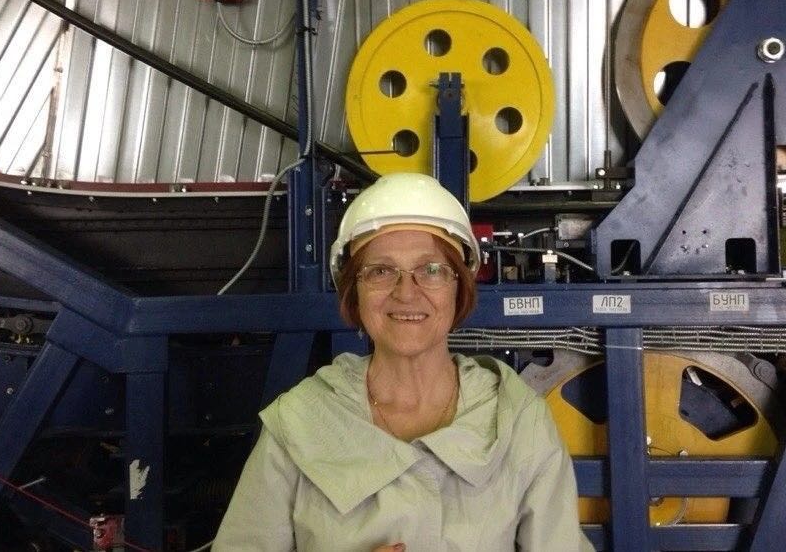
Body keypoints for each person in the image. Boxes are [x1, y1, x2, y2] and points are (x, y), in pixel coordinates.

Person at [214, 172, 592, 551]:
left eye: (431, 270)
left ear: (459, 287)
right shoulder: (299, 423)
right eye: (381, 271)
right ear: (354, 290)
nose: (406, 293)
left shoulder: (518, 422)